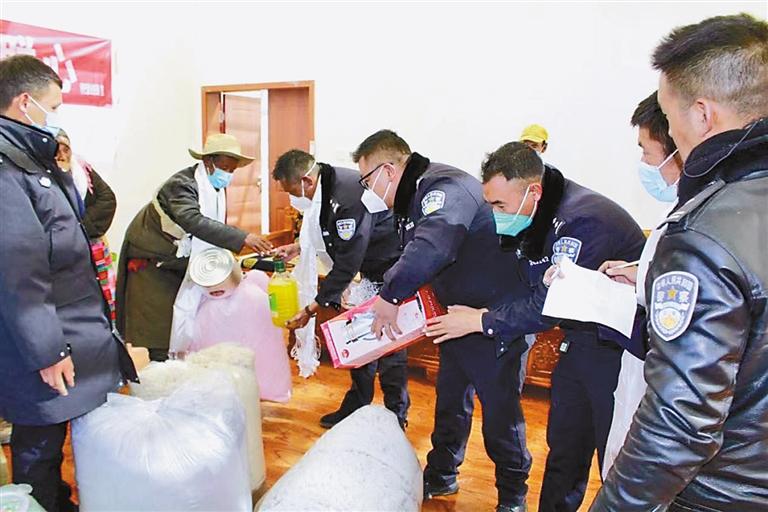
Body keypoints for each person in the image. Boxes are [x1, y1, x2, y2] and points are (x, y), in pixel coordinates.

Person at [591, 13, 768, 511]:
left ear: (703, 115)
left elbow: (681, 422)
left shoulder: (705, 234)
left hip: (724, 492)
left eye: (668, 119)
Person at [426, 142, 646, 512]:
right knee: (564, 448)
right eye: (490, 204)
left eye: (500, 205)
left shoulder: (582, 223)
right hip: (578, 341)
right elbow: (531, 285)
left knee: (615, 456)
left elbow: (551, 306)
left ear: (533, 191)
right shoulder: (533, 217)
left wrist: (480, 320)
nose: (495, 215)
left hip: (616, 349)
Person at [357, 130, 530, 512]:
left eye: (367, 180)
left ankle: (512, 495)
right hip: (454, 320)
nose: (367, 190)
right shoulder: (413, 199)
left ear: (388, 170)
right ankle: (442, 474)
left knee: (501, 416)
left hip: (492, 320)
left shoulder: (443, 189)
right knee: (450, 403)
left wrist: (390, 296)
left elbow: (433, 246)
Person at [0, 54, 137, 511]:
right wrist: (47, 351)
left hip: (69, 328)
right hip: (42, 342)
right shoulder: (6, 169)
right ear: (25, 102)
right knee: (39, 445)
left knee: (54, 440)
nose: (57, 116)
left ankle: (58, 501)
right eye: (54, 106)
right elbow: (18, 272)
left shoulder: (32, 160)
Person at [271, 149, 407, 427]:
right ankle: (357, 405)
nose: (293, 199)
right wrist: (298, 247)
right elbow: (329, 234)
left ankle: (396, 415)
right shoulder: (327, 187)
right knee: (360, 339)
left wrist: (311, 309)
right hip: (369, 270)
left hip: (391, 270)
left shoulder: (346, 197)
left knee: (390, 344)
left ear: (306, 181)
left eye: (291, 191)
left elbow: (347, 262)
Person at [115, 133, 272, 362]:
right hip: (151, 261)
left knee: (183, 321)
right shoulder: (181, 185)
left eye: (232, 170)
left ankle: (180, 368)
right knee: (160, 329)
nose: (228, 174)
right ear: (208, 161)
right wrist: (243, 238)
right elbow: (193, 220)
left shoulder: (213, 188)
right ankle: (163, 373)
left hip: (176, 260)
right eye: (225, 167)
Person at [598, 91, 682, 478]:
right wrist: (637, 272)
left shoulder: (699, 218)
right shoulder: (677, 209)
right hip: (641, 356)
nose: (644, 165)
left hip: (660, 372)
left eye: (647, 153)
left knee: (633, 466)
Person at [55, 128, 119, 322]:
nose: (62, 155)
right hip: (64, 251)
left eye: (66, 149)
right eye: (57, 150)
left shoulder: (82, 169)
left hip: (93, 244)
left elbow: (107, 199)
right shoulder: (42, 175)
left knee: (104, 298)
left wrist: (80, 228)